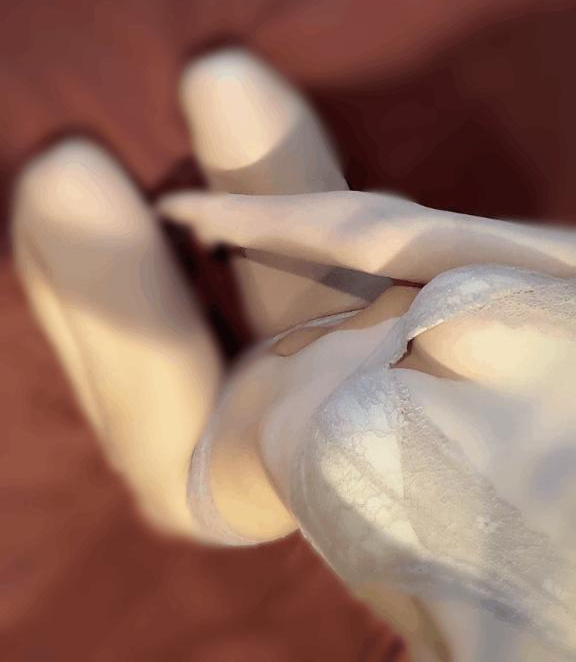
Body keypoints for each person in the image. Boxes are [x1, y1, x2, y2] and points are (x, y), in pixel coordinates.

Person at [12, 49, 576, 661]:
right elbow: (395, 236)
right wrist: (236, 220)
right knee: (224, 85)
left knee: (65, 185)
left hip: (213, 451)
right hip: (333, 312)